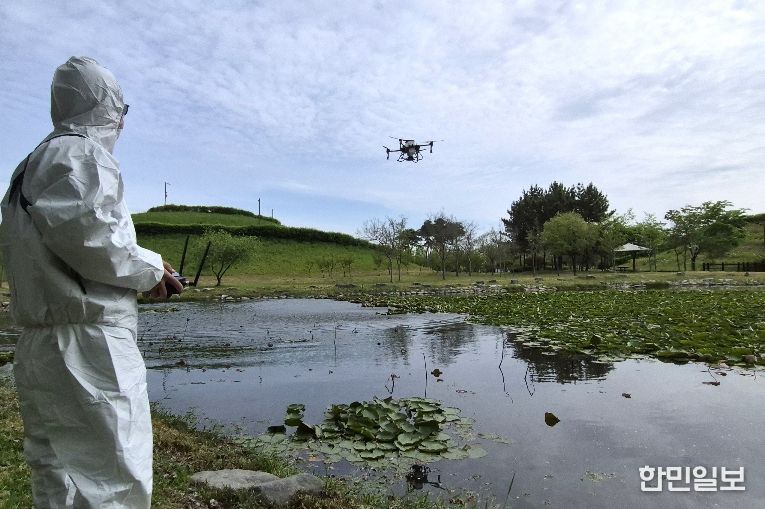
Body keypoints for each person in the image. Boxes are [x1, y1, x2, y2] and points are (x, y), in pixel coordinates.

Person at [0, 56, 183, 508]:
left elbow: (73, 237)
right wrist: (152, 270)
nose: (123, 122)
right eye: (122, 109)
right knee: (114, 481)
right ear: (108, 106)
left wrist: (144, 267)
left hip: (42, 344)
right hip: (89, 346)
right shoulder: (80, 153)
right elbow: (92, 238)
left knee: (56, 476)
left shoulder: (31, 164)